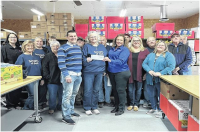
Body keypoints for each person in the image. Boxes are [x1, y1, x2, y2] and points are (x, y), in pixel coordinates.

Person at [142, 41, 176, 117]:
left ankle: (161, 110)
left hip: (162, 79)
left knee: (161, 95)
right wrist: (149, 70)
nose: (160, 46)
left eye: (162, 45)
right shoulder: (151, 55)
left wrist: (160, 73)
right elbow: (144, 63)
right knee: (151, 94)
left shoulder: (169, 55)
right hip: (150, 78)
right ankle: (154, 108)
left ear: (165, 47)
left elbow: (171, 66)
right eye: (158, 45)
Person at [58, 30, 82, 125]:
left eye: (74, 36)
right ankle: (66, 116)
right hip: (69, 75)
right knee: (67, 95)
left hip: (78, 75)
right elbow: (61, 62)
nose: (73, 38)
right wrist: (66, 75)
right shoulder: (63, 48)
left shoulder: (77, 47)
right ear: (67, 37)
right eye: (71, 36)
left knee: (73, 94)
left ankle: (71, 110)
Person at [103, 34, 131, 116]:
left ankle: (121, 108)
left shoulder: (125, 50)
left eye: (121, 40)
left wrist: (109, 60)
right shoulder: (112, 48)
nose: (119, 41)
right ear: (115, 40)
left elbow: (121, 61)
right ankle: (116, 106)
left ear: (124, 41)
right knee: (114, 90)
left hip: (121, 72)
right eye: (118, 40)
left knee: (120, 90)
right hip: (112, 72)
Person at [82, 31, 107, 115]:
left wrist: (105, 61)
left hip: (99, 71)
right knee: (88, 90)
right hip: (89, 71)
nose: (93, 38)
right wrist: (86, 60)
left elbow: (105, 57)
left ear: (98, 38)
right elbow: (82, 58)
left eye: (95, 37)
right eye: (91, 37)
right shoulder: (86, 46)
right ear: (88, 38)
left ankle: (94, 106)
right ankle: (87, 107)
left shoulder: (102, 47)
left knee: (96, 90)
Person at [15, 40, 42, 110]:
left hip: (37, 78)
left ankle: (32, 108)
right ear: (24, 47)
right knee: (32, 95)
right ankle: (26, 109)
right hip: (28, 79)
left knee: (35, 95)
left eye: (32, 46)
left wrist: (42, 79)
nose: (30, 47)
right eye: (28, 46)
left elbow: (40, 68)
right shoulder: (22, 57)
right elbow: (17, 69)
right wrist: (24, 74)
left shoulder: (37, 57)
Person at [1, 33, 23, 108]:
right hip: (8, 71)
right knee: (10, 88)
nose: (13, 38)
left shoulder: (19, 48)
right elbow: (2, 60)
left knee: (18, 88)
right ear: (8, 38)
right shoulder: (4, 48)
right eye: (11, 37)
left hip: (18, 71)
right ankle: (10, 104)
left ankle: (16, 102)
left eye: (15, 37)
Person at [127, 36, 148, 112]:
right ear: (132, 42)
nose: (136, 42)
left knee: (138, 90)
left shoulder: (145, 51)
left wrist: (146, 73)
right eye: (134, 40)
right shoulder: (128, 50)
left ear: (140, 42)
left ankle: (136, 104)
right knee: (130, 90)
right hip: (130, 73)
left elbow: (148, 62)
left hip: (140, 73)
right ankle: (131, 104)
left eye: (138, 40)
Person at [42, 40, 63, 114]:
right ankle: (52, 107)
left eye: (57, 46)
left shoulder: (62, 55)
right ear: (50, 47)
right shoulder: (48, 56)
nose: (56, 47)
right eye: (53, 46)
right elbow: (44, 67)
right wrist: (47, 76)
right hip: (52, 80)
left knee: (61, 95)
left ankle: (60, 106)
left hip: (62, 79)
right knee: (52, 95)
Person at [33, 37, 49, 108]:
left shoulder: (46, 50)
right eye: (37, 41)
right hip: (35, 72)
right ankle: (36, 104)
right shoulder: (32, 50)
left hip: (44, 72)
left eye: (41, 41)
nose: (39, 43)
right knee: (35, 90)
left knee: (43, 89)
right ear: (34, 42)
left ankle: (42, 103)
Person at [98, 36, 113, 108]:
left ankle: (107, 101)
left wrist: (107, 71)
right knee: (99, 86)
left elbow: (110, 61)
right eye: (100, 40)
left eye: (103, 40)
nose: (101, 41)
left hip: (108, 71)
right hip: (98, 70)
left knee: (108, 86)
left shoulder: (110, 49)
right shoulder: (96, 48)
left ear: (106, 40)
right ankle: (100, 100)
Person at [143, 37, 157, 108]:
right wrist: (146, 72)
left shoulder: (160, 49)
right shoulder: (145, 50)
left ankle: (156, 103)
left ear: (155, 41)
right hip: (148, 72)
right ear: (147, 43)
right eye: (149, 41)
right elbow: (144, 63)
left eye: (153, 40)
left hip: (159, 73)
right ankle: (147, 101)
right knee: (147, 88)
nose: (151, 42)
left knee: (157, 88)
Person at [75, 37, 85, 106]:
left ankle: (83, 99)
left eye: (81, 41)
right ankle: (78, 99)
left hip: (85, 70)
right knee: (77, 86)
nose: (80, 42)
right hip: (76, 70)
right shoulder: (73, 49)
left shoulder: (85, 49)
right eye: (78, 41)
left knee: (84, 86)